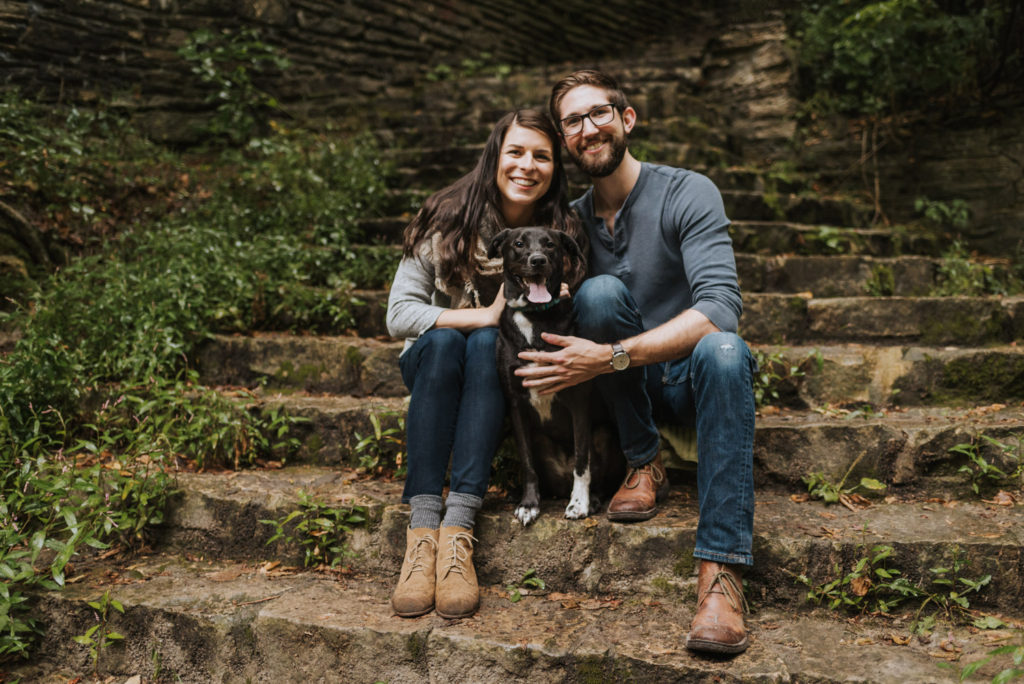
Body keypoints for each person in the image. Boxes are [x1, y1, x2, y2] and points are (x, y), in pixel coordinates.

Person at [515, 69, 756, 655]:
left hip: (691, 376)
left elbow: (722, 307)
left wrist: (613, 354)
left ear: (627, 119)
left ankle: (721, 574)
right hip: (629, 393)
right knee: (597, 295)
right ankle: (643, 462)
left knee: (726, 350)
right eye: (572, 121)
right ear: (565, 142)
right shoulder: (567, 225)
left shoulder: (687, 191)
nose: (586, 128)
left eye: (598, 113)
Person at [385, 108, 585, 620]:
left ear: (554, 169)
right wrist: (483, 313)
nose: (527, 165)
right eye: (515, 151)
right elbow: (399, 314)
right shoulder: (447, 217)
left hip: (499, 368)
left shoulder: (561, 231)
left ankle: (458, 533)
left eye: (542, 155)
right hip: (435, 363)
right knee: (462, 341)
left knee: (483, 346)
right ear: (495, 156)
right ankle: (423, 532)